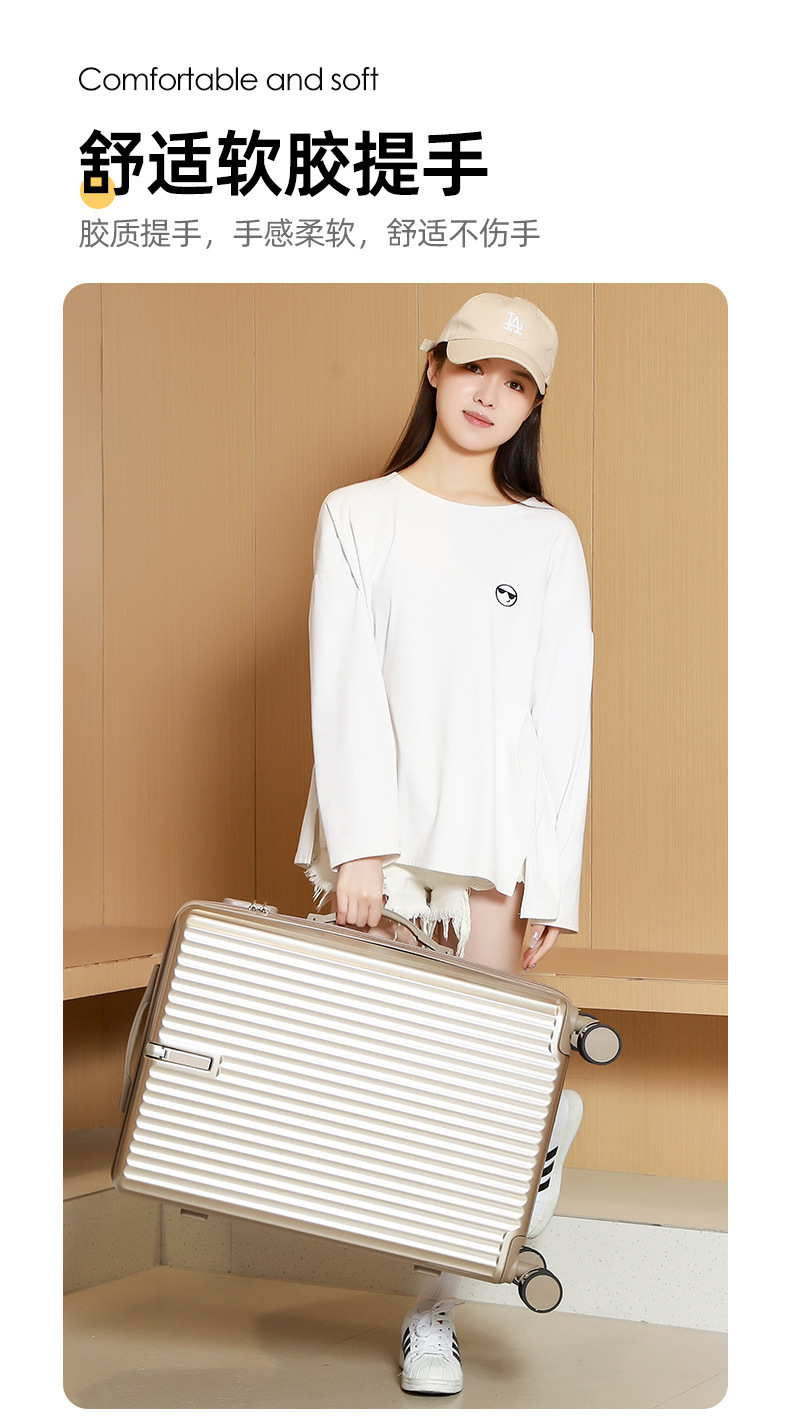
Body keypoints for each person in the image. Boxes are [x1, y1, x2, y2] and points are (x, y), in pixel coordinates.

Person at [294, 292, 593, 1396]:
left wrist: (553, 872)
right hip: (386, 835)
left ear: (533, 405)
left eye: (516, 385)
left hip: (497, 841)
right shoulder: (357, 513)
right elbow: (342, 681)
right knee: (387, 1076)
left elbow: (561, 714)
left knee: (473, 1083)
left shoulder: (547, 536)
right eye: (474, 370)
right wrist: (359, 848)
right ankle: (540, 1120)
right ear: (433, 367)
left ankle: (433, 1316)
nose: (489, 396)